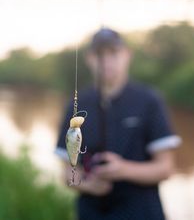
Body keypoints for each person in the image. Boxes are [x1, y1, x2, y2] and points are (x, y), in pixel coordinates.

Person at [55, 27, 182, 220]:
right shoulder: (76, 104)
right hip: (91, 213)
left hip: (143, 213)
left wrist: (124, 169)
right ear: (89, 58)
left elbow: (166, 168)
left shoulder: (149, 100)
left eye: (113, 53)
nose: (106, 61)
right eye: (99, 55)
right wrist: (87, 184)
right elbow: (66, 172)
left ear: (127, 55)